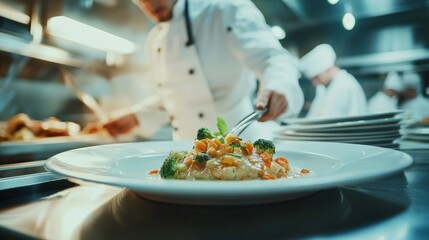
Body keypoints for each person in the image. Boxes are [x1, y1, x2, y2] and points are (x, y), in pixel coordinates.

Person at [103, 0, 304, 141]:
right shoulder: (154, 39)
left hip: (239, 143)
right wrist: (136, 116)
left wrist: (279, 86)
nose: (149, 3)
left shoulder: (225, 9)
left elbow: (273, 58)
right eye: (140, 0)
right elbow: (175, 97)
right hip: (186, 151)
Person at [299, 44, 367, 118]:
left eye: (316, 77)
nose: (314, 83)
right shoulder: (324, 89)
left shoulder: (345, 85)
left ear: (327, 69)